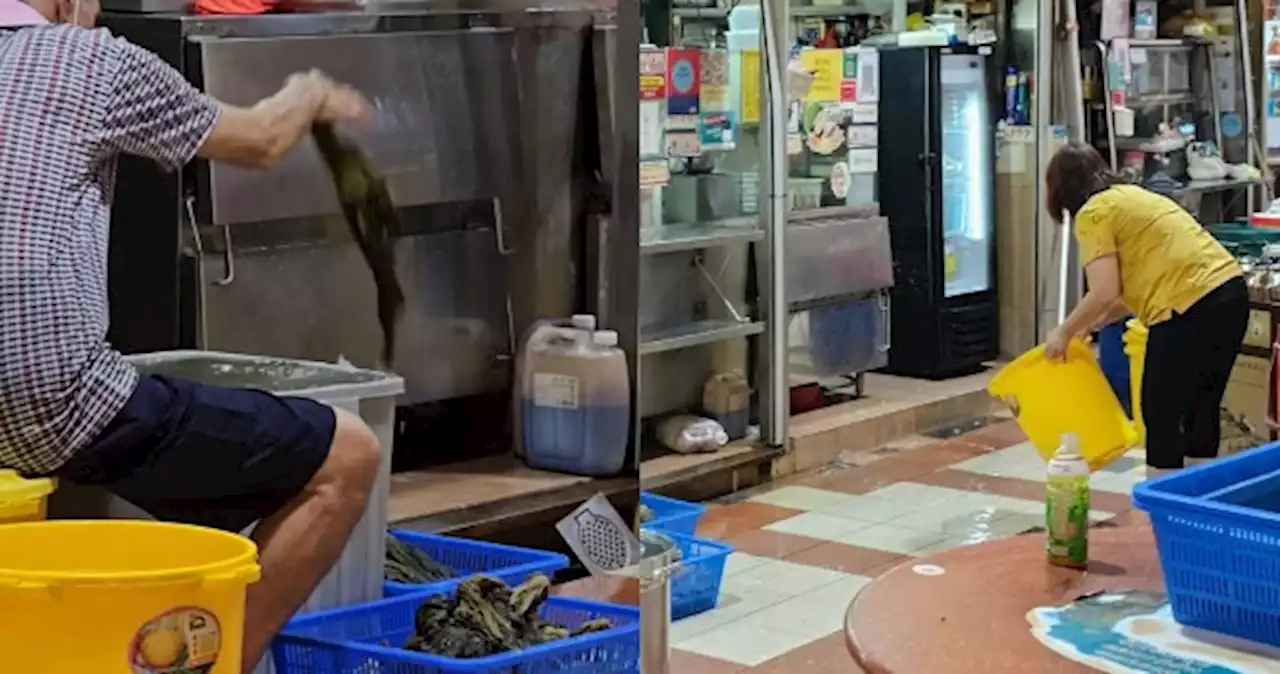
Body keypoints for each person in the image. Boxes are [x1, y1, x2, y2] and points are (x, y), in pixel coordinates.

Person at [1, 3, 384, 670]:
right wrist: (311, 92)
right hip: (49, 405)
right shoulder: (90, 60)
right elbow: (261, 139)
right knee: (347, 457)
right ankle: (221, 662)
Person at [1042, 143, 1246, 478]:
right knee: (1201, 407)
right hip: (1229, 293)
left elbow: (1104, 291)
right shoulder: (1132, 196)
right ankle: (1197, 502)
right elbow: (1126, 296)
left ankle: (1164, 507)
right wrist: (1089, 323)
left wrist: (1063, 331)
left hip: (1188, 306)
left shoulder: (1094, 213)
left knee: (1160, 412)